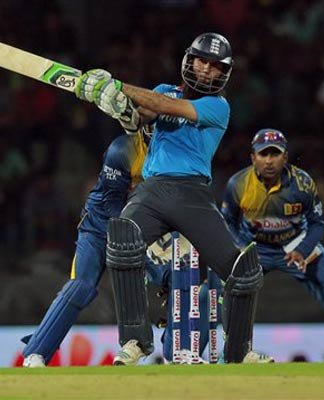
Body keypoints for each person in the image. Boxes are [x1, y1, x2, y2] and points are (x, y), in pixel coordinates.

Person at [75, 32, 269, 365]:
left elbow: (164, 107)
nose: (207, 70)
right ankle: (135, 341)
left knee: (243, 270)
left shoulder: (218, 106)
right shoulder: (164, 90)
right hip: (152, 190)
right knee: (121, 240)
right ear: (189, 60)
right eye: (202, 61)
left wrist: (117, 85)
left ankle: (240, 351)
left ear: (225, 73)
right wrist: (111, 101)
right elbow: (139, 117)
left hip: (193, 194)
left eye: (215, 66)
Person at [221, 128, 324, 361]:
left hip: (295, 244)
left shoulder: (303, 184)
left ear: (285, 157)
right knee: (217, 291)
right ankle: (224, 356)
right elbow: (227, 222)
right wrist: (244, 249)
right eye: (263, 154)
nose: (269, 161)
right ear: (253, 157)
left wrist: (302, 249)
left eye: (275, 154)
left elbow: (317, 224)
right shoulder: (238, 184)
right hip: (255, 248)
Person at [21, 129, 150, 367]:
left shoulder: (174, 151)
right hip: (99, 225)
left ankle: (179, 351)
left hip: (141, 228)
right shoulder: (122, 149)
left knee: (168, 277)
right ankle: (35, 353)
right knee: (81, 286)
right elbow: (113, 204)